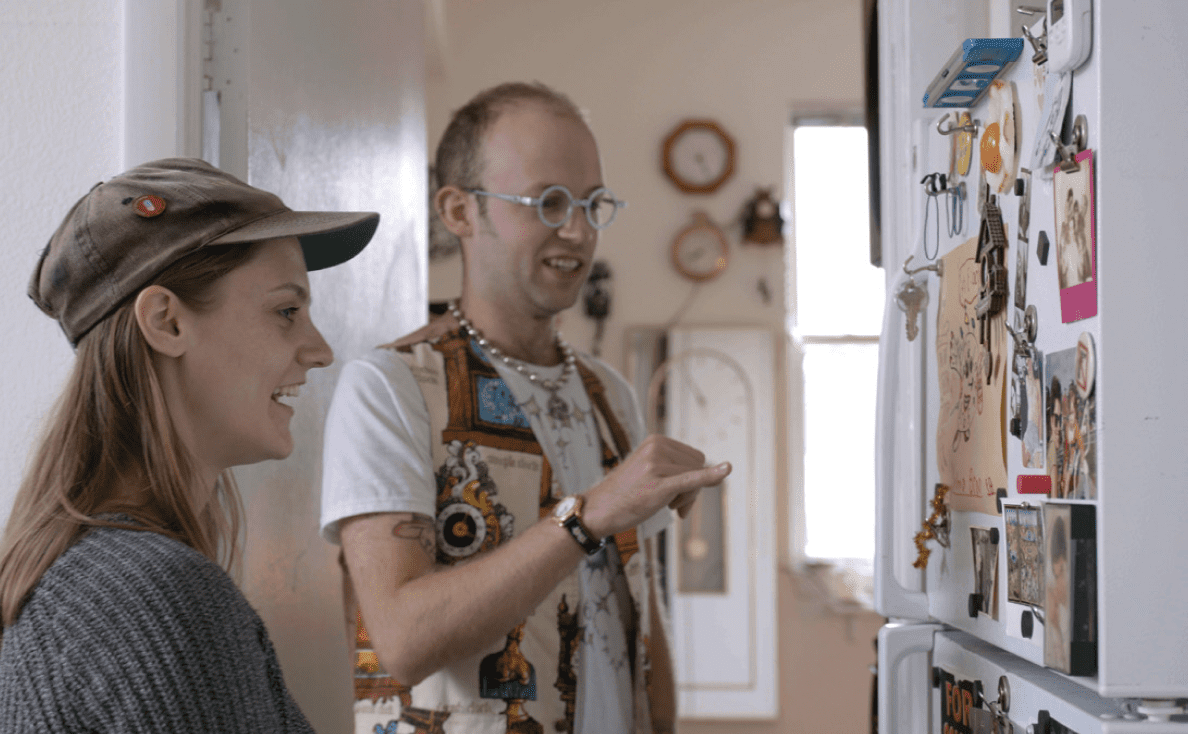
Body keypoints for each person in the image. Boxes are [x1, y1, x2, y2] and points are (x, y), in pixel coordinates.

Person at [320, 82, 730, 734]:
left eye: (593, 203)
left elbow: (643, 625)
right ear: (459, 211)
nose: (577, 230)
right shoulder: (389, 388)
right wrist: (588, 516)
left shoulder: (611, 394)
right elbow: (401, 641)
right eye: (548, 202)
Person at [0, 158, 379, 732]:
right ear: (166, 322)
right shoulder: (152, 598)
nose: (319, 349)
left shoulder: (86, 579)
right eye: (286, 311)